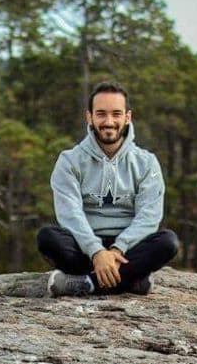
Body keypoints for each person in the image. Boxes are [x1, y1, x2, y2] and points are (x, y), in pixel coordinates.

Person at [39, 81, 179, 296]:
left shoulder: (146, 162)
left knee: (167, 242)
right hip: (84, 246)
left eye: (116, 114)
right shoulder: (69, 161)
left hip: (128, 249)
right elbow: (70, 214)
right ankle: (131, 280)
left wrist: (116, 250)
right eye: (101, 114)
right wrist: (96, 252)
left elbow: (149, 216)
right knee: (48, 237)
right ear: (89, 117)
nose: (109, 121)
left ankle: (87, 284)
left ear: (127, 117)